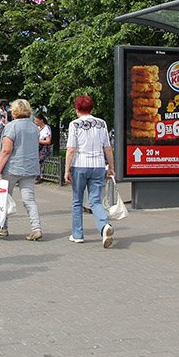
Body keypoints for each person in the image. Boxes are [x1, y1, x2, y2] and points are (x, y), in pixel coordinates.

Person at [64, 95, 117, 247]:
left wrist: (67, 170)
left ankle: (78, 234)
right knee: (95, 200)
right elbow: (107, 147)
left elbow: (71, 149)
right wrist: (111, 167)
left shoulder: (74, 124)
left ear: (76, 109)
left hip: (80, 165)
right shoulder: (102, 124)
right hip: (99, 165)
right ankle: (104, 226)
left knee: (77, 201)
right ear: (92, 108)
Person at [0, 99, 43, 240]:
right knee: (29, 200)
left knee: (4, 198)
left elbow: (6, 151)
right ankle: (36, 228)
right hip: (30, 168)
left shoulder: (11, 127)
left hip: (12, 168)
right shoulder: (34, 127)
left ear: (14, 111)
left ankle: (3, 227)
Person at [34, 113, 52, 183]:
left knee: (39, 160)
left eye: (37, 121)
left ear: (41, 120)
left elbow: (48, 141)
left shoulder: (46, 128)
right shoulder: (38, 128)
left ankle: (39, 176)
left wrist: (39, 141)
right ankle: (36, 175)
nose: (36, 123)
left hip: (44, 148)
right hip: (38, 147)